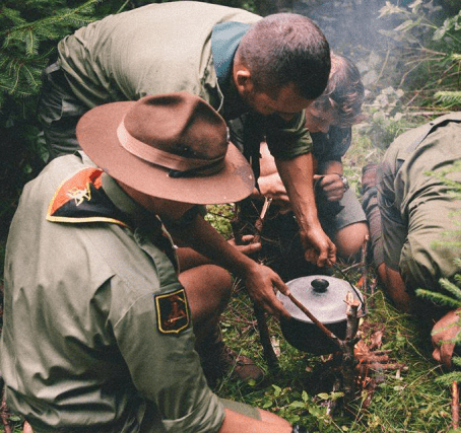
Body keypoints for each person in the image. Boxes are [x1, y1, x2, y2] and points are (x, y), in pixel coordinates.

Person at [0, 92, 309, 433]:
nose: (203, 204)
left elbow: (118, 263)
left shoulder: (60, 172)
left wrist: (240, 263)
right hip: (95, 419)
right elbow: (195, 420)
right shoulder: (146, 291)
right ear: (161, 186)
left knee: (213, 280)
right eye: (202, 189)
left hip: (38, 371)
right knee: (277, 429)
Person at [37, 1, 337, 289]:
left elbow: (293, 141)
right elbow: (175, 208)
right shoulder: (184, 89)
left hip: (143, 76)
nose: (288, 118)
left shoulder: (275, 55)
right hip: (81, 93)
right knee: (104, 210)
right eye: (280, 110)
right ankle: (139, 308)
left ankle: (185, 299)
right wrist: (246, 268)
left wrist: (309, 224)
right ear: (244, 81)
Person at [360, 111, 461, 367]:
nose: (434, 355)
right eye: (441, 351)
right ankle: (372, 193)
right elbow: (400, 292)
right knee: (402, 297)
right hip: (408, 153)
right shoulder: (425, 264)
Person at [232, 52, 368, 278]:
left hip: (316, 191)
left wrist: (334, 180)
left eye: (330, 123)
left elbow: (333, 158)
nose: (325, 129)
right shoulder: (263, 103)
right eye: (319, 119)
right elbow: (230, 173)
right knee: (267, 159)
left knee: (355, 242)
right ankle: (270, 229)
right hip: (264, 192)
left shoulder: (336, 110)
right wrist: (261, 187)